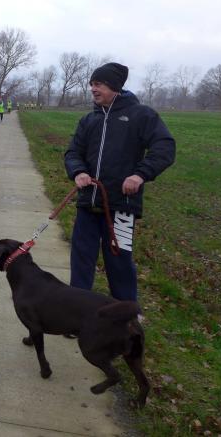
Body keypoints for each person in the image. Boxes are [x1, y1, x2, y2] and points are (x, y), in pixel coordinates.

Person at [64, 62, 175, 303]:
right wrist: (78, 172)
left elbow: (165, 148)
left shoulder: (141, 115)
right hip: (87, 203)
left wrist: (140, 175)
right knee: (81, 259)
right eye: (92, 84)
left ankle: (126, 314)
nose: (93, 89)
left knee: (119, 261)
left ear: (114, 86)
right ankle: (77, 310)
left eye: (99, 84)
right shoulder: (89, 120)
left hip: (122, 206)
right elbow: (73, 152)